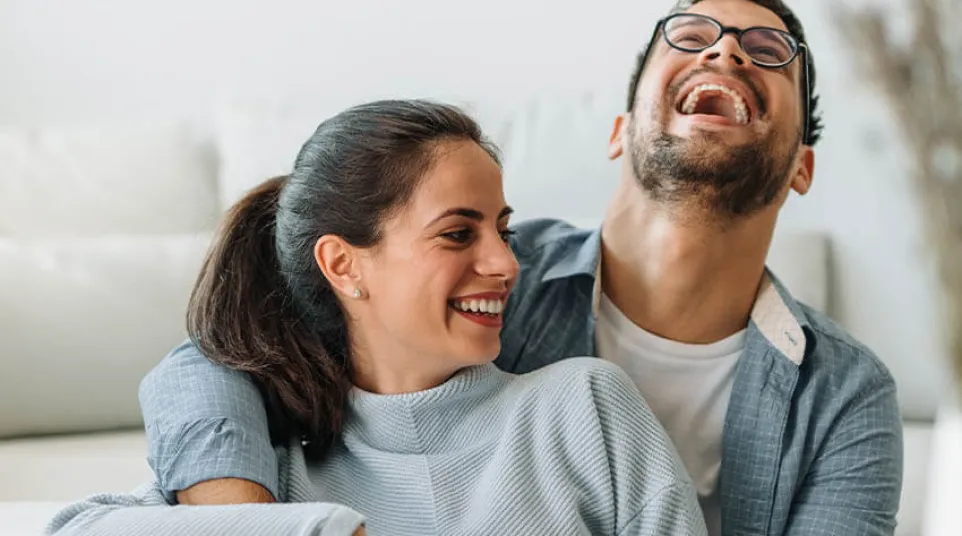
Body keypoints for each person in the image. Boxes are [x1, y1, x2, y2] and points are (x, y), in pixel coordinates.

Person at [137, 0, 904, 534]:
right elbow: (216, 358)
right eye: (693, 33)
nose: (725, 50)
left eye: (769, 52)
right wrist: (255, 523)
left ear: (802, 167)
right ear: (619, 130)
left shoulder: (843, 396)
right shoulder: (488, 279)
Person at [46, 100, 708, 536]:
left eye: (501, 231)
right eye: (457, 234)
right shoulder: (270, 468)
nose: (506, 264)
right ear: (343, 265)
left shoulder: (584, 408)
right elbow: (71, 528)